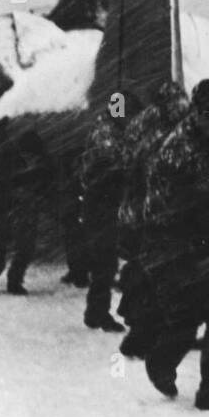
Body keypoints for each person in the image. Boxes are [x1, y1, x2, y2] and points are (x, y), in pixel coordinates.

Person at [140, 79, 209, 409]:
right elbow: (166, 209)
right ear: (199, 112)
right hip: (177, 245)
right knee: (191, 317)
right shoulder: (178, 149)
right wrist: (191, 246)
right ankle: (168, 365)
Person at [116, 81, 190, 358]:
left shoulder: (145, 127)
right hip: (155, 215)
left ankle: (141, 327)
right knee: (153, 274)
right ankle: (143, 331)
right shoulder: (164, 135)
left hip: (148, 214)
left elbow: (129, 166)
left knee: (146, 272)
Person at [78, 98, 142, 333]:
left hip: (102, 204)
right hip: (101, 205)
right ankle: (98, 313)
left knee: (105, 262)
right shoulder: (107, 133)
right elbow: (117, 163)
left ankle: (95, 312)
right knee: (105, 261)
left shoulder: (108, 129)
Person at [0, 128, 54, 295]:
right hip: (26, 209)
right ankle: (14, 281)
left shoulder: (9, 158)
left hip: (8, 206)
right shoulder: (44, 163)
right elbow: (46, 185)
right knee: (24, 248)